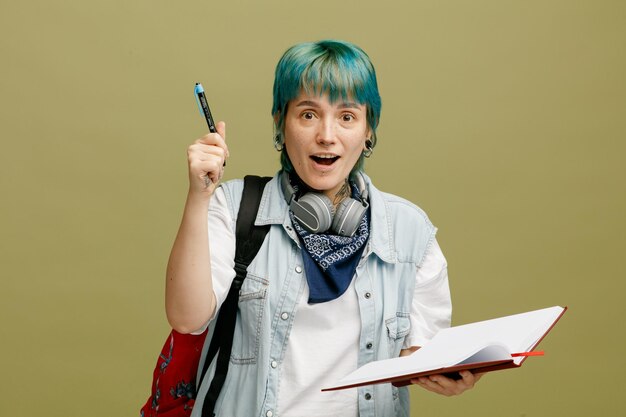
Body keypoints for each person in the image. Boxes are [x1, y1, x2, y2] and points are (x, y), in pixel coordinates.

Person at [165, 40, 481, 417]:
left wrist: (446, 370)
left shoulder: (409, 232)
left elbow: (416, 353)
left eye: (347, 116)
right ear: (281, 124)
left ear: (368, 132)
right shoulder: (236, 209)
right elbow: (186, 317)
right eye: (309, 114)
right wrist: (199, 196)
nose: (327, 135)